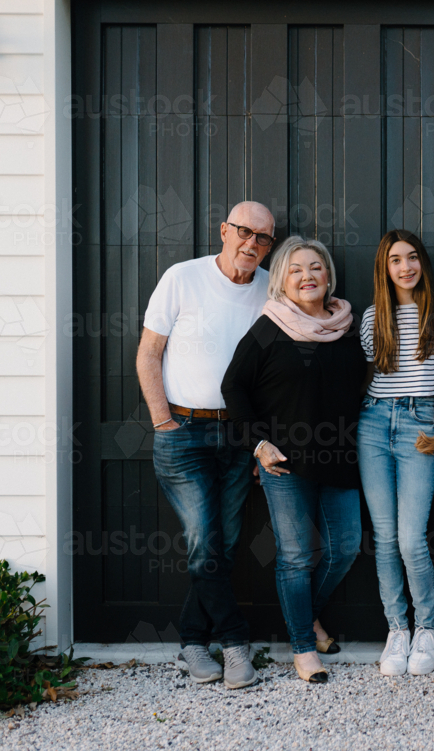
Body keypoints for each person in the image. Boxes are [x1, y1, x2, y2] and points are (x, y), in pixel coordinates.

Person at [137, 201, 275, 689]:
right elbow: (148, 353)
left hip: (239, 436)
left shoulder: (268, 290)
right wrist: (162, 421)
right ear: (224, 231)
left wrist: (260, 442)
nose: (252, 244)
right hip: (184, 433)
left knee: (225, 543)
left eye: (263, 238)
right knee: (204, 543)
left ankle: (192, 642)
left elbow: (273, 376)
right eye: (244, 232)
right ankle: (236, 643)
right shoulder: (182, 277)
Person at [221, 236, 365, 683]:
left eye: (316, 267)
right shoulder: (270, 325)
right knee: (297, 557)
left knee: (345, 548)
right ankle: (304, 646)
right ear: (282, 279)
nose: (308, 276)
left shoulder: (346, 324)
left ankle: (306, 618)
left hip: (340, 456)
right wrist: (258, 444)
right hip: (285, 461)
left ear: (328, 275)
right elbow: (233, 387)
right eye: (296, 269)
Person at [357, 229, 434, 677]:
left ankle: (427, 628)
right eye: (395, 260)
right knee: (385, 537)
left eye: (412, 258)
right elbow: (368, 370)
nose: (405, 267)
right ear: (384, 268)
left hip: (420, 427)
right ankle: (397, 630)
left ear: (423, 264)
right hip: (373, 424)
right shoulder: (374, 318)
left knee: (411, 538)